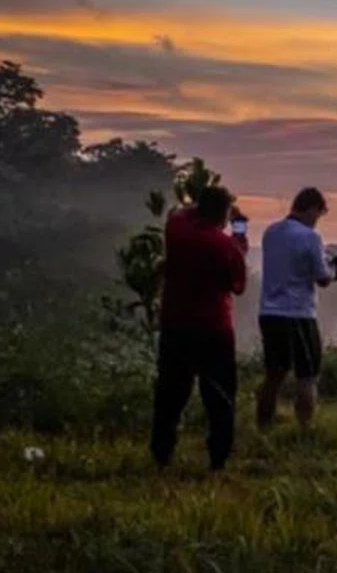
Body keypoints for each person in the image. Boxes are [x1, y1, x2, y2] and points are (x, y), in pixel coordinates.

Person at [151, 184, 248, 471]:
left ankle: (161, 451)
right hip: (213, 328)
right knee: (219, 395)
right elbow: (237, 285)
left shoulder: (177, 227)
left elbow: (182, 211)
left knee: (170, 391)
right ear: (223, 214)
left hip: (175, 323)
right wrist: (239, 237)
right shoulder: (224, 246)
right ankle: (218, 456)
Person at [256, 187, 337, 431]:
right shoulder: (310, 237)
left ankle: (263, 426)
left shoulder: (271, 232)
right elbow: (322, 278)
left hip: (269, 311)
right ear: (312, 209)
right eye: (318, 214)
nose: (317, 221)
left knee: (274, 374)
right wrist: (335, 270)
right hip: (298, 313)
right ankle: (305, 428)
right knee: (307, 376)